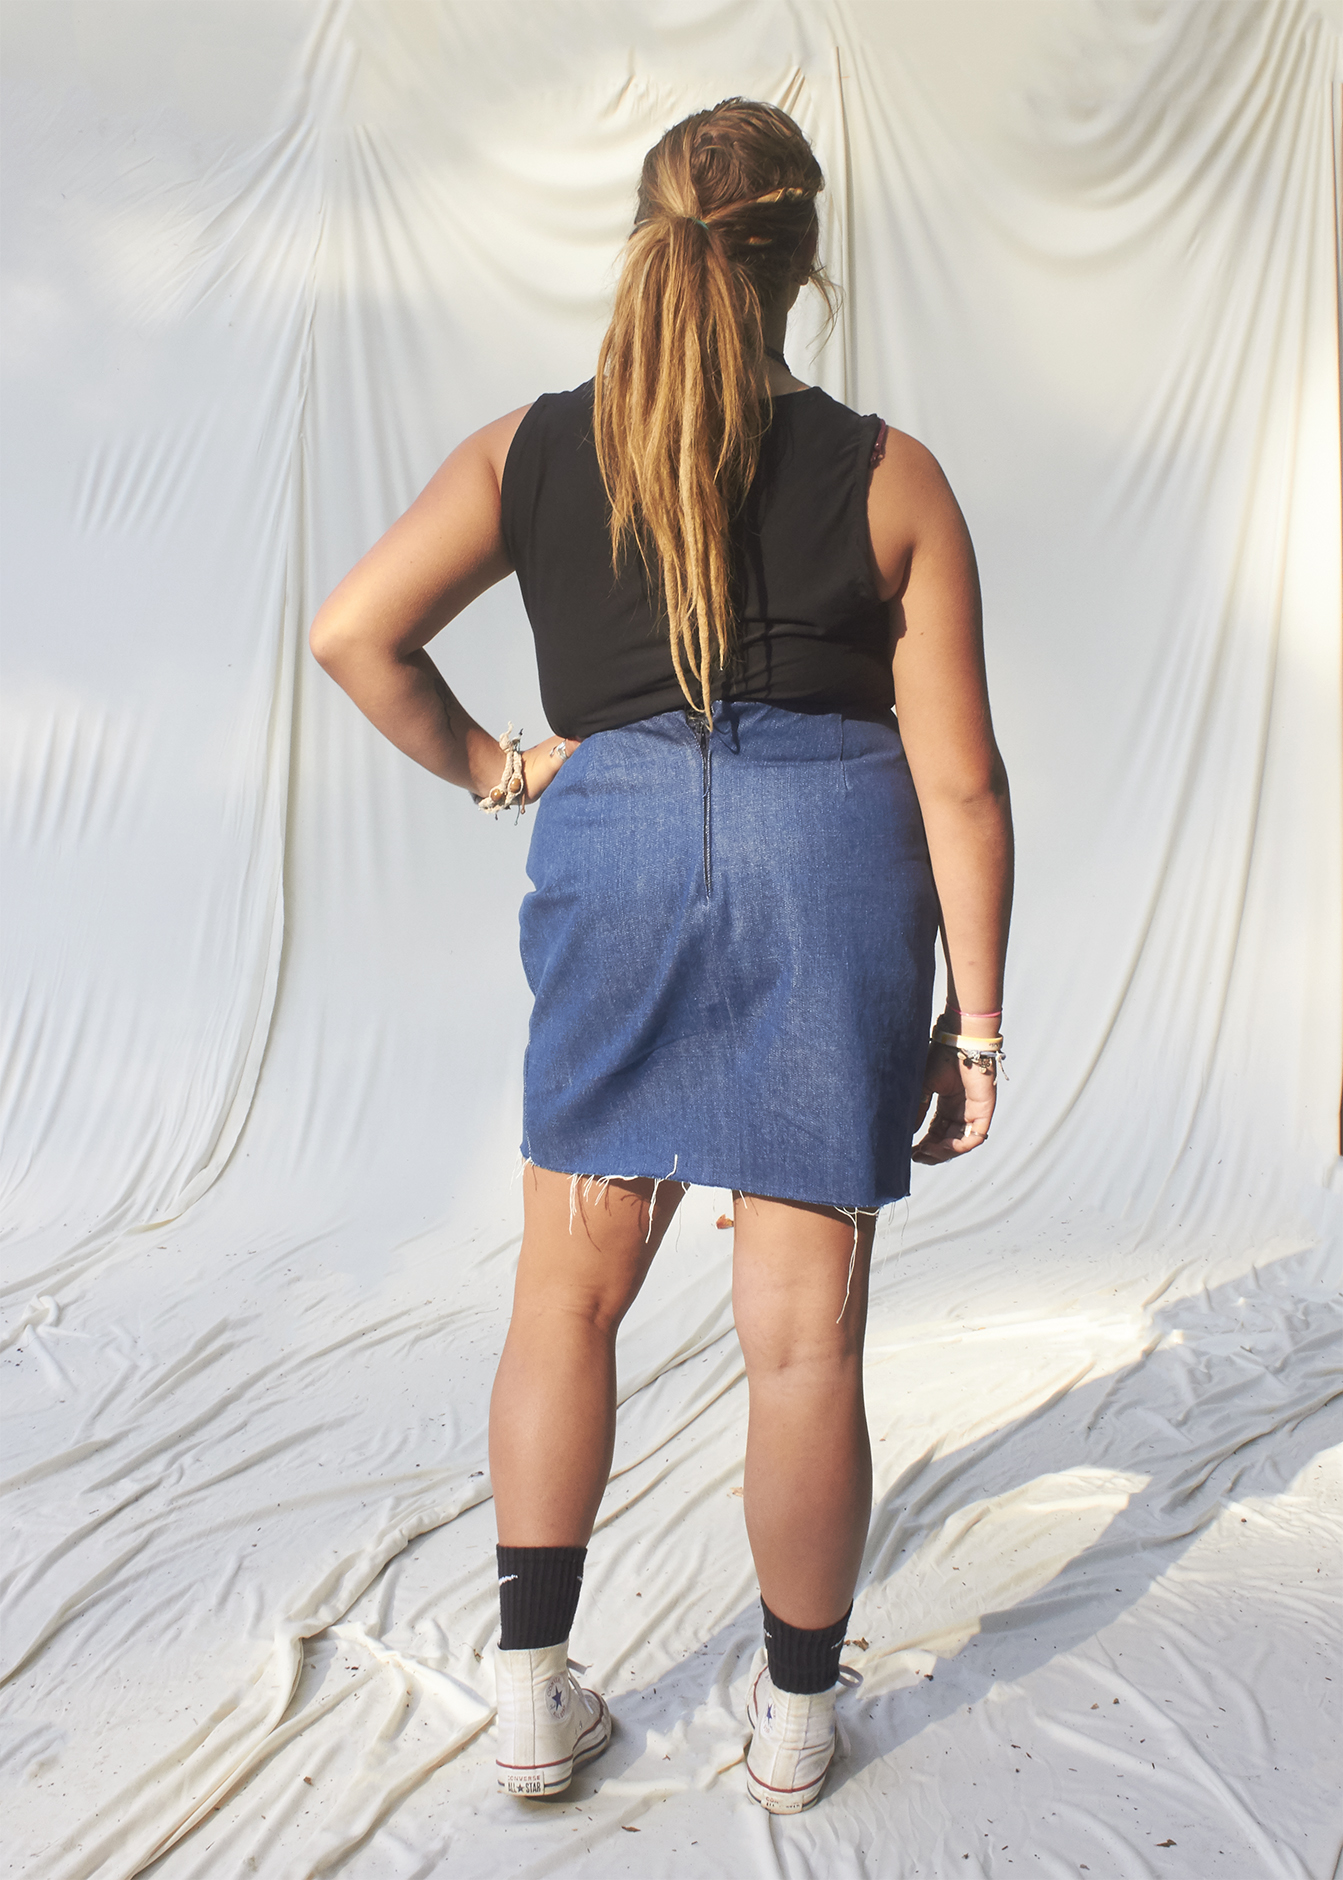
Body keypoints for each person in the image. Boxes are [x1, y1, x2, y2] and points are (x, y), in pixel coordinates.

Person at [309, 97, 1013, 1815]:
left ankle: (533, 1694)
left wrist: (500, 768)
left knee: (569, 1288)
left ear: (646, 238)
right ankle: (790, 1717)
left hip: (610, 855)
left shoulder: (528, 451)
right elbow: (963, 779)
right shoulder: (889, 470)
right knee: (801, 1340)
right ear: (805, 255)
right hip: (833, 865)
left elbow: (354, 631)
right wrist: (974, 1029)